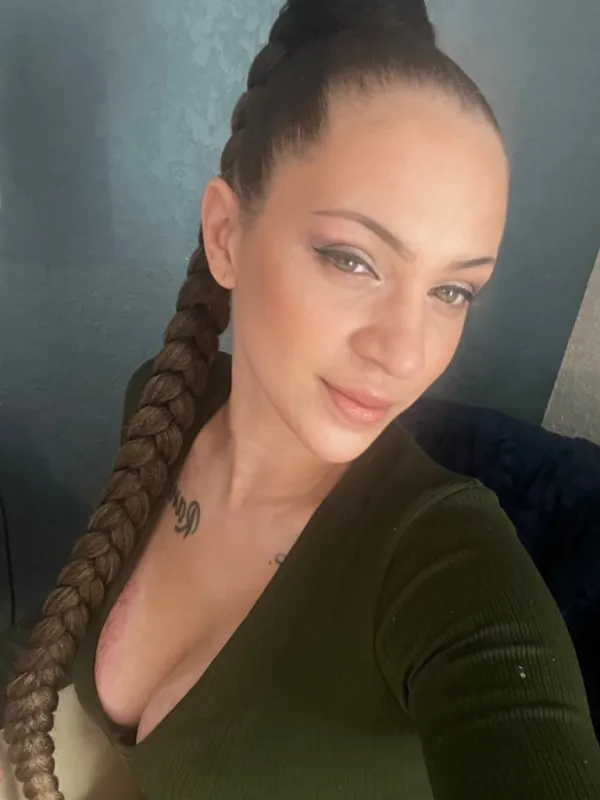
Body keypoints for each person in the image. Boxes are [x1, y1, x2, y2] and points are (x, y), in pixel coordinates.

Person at [3, 0, 600, 798]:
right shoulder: (165, 403)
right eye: (353, 259)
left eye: (452, 291)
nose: (405, 353)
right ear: (226, 235)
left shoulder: (446, 566)